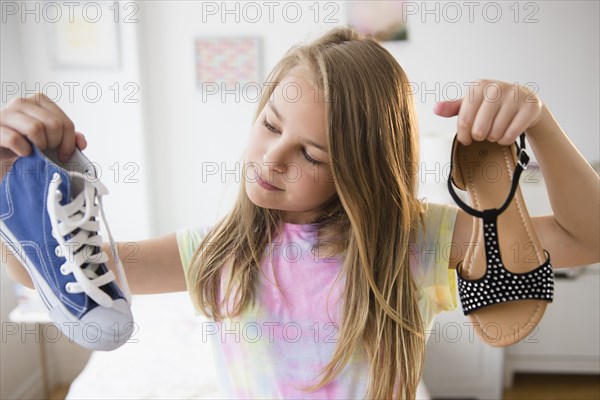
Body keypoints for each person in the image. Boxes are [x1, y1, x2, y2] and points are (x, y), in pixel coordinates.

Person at [1, 26, 598, 399]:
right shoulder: (214, 251)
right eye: (269, 125)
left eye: (311, 153)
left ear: (360, 171)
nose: (271, 158)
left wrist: (539, 123)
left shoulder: (416, 243)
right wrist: (11, 182)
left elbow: (585, 236)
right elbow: (44, 274)